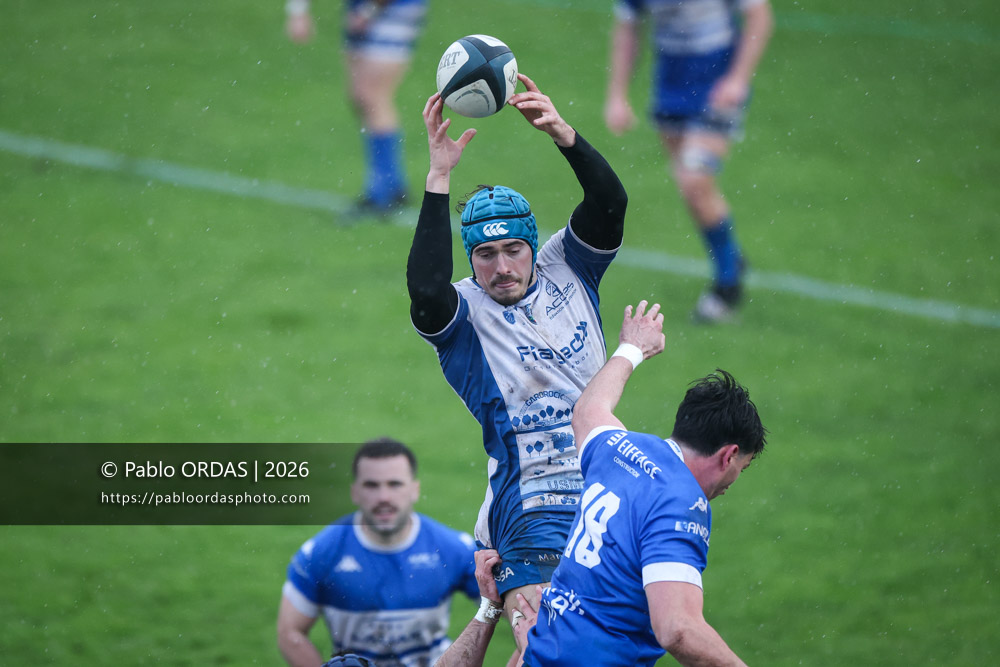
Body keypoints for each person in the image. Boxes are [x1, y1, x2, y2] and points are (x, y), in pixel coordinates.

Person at [406, 73, 628, 625]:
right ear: (470, 258)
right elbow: (425, 290)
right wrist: (439, 176)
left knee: (600, 648)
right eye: (484, 255)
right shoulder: (461, 318)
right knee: (542, 645)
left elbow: (609, 202)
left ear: (533, 246)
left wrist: (564, 135)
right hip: (532, 504)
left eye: (513, 250)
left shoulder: (569, 267)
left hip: (607, 491)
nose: (502, 267)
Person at [521, 300, 768, 666]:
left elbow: (588, 410)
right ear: (729, 455)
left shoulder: (619, 448)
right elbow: (677, 629)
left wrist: (632, 348)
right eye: (742, 468)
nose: (733, 482)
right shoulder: (682, 503)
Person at [605, 0, 774, 322]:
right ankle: (732, 257)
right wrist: (618, 95)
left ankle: (727, 285)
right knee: (692, 189)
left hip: (716, 83)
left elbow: (759, 14)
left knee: (695, 182)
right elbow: (628, 27)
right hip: (671, 83)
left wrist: (738, 79)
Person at [277, 437, 480, 667]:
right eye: (371, 485)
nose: (384, 497)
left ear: (415, 490)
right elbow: (289, 631)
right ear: (355, 492)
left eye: (394, 484)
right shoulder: (320, 554)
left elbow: (516, 612)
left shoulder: (454, 549)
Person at [285, 0, 426, 214]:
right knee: (361, 96)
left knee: (373, 96)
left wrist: (369, 10)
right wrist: (298, 11)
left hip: (391, 7)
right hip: (361, 7)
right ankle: (392, 186)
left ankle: (383, 192)